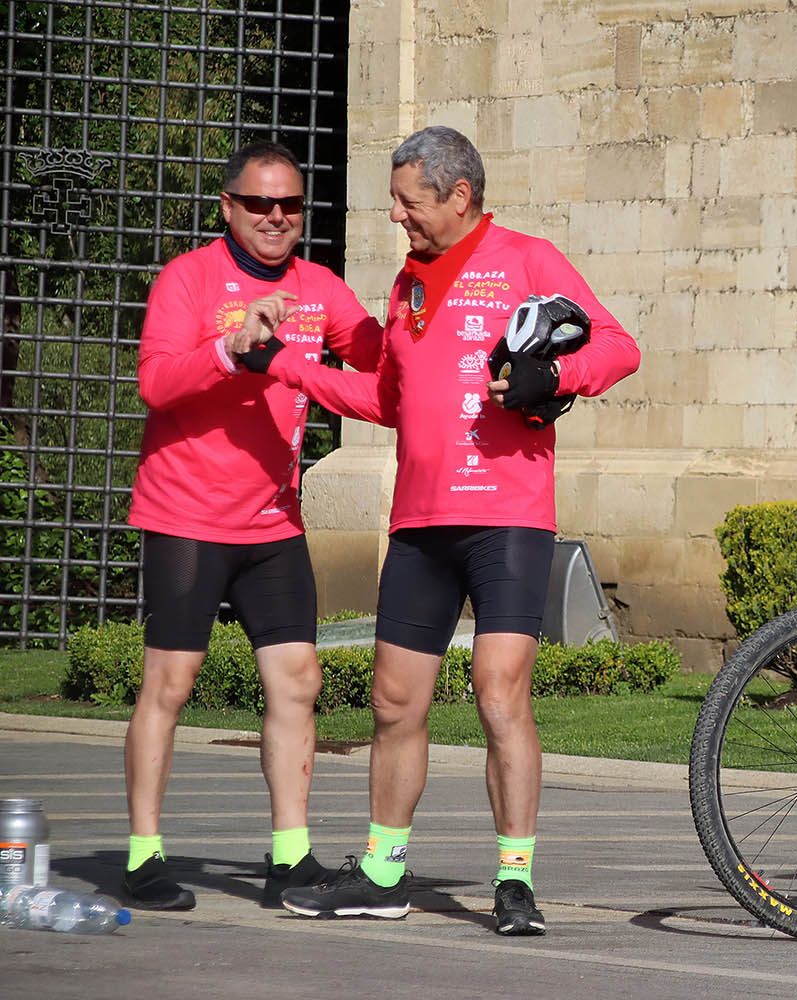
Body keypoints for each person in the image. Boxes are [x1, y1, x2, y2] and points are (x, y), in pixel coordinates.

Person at [245, 126, 640, 936]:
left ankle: (515, 879)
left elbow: (620, 348)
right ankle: (384, 871)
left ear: (460, 195)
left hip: (506, 518)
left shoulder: (529, 259)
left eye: (408, 201)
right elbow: (387, 399)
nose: (397, 216)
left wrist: (552, 374)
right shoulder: (407, 285)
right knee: (394, 702)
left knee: (500, 693)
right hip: (422, 521)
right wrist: (282, 364)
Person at [124, 140, 384, 910]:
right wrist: (230, 349)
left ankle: (291, 859)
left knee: (298, 681)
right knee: (169, 684)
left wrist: (442, 330)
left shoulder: (318, 289)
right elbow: (155, 382)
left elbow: (379, 365)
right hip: (186, 516)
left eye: (291, 205)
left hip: (273, 522)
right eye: (260, 203)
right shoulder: (189, 279)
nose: (277, 217)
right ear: (228, 207)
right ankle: (143, 856)